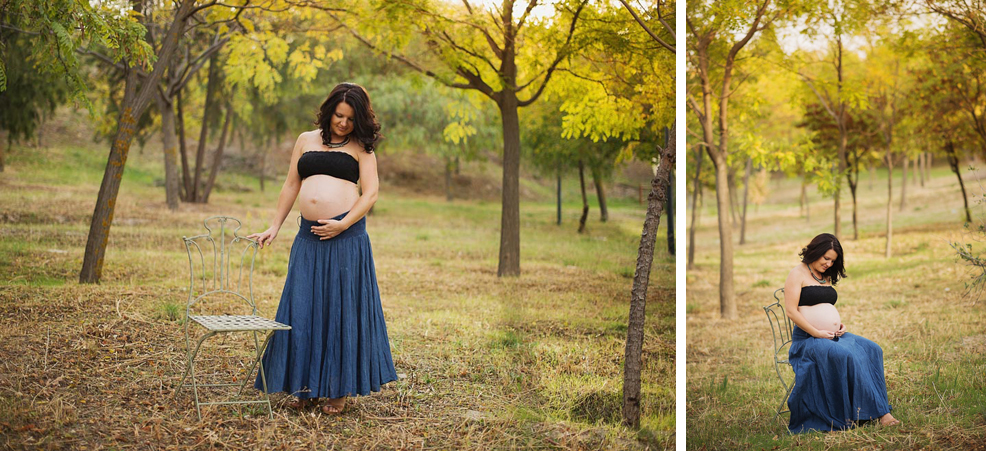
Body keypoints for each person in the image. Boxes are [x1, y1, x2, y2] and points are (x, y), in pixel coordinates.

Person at [248, 82, 397, 415]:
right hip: (307, 239)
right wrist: (275, 225)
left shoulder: (362, 147)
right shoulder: (306, 140)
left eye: (349, 118)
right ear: (329, 111)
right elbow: (291, 184)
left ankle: (338, 390)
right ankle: (304, 387)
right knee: (302, 309)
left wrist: (343, 223)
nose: (343, 123)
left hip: (346, 238)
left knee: (341, 311)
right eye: (338, 116)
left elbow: (370, 193)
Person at [783, 233, 900, 433]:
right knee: (847, 355)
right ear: (815, 252)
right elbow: (791, 311)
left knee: (873, 349)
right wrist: (817, 332)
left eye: (833, 260)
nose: (828, 263)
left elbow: (824, 305)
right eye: (825, 258)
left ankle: (869, 407)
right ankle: (881, 413)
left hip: (832, 335)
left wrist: (838, 324)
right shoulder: (797, 273)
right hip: (808, 340)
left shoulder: (824, 275)